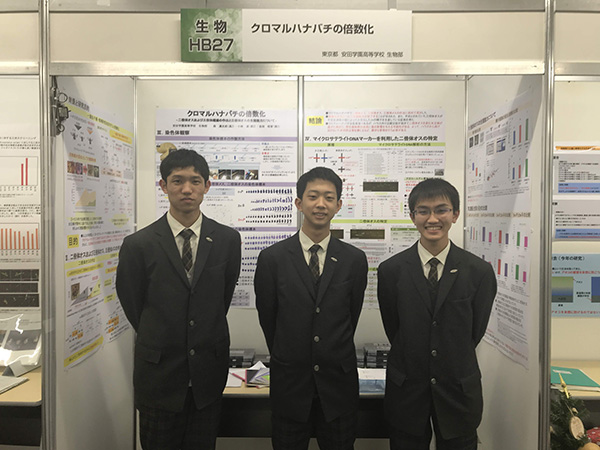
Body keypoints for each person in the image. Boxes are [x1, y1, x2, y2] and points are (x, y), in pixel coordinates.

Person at [116, 149, 241, 450]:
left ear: (207, 186)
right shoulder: (138, 244)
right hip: (158, 375)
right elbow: (133, 303)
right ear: (163, 186)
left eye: (195, 181)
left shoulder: (227, 240)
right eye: (177, 181)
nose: (187, 189)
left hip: (207, 377)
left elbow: (222, 298)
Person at [377, 178, 497, 450]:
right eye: (423, 211)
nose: (432, 219)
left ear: (455, 214)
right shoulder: (391, 271)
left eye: (441, 210)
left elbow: (475, 332)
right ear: (413, 217)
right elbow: (394, 328)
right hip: (407, 389)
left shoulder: (478, 272)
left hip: (458, 389)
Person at [254, 167, 368, 450]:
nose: (320, 204)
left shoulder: (354, 259)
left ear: (338, 205)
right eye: (313, 196)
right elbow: (269, 318)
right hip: (290, 384)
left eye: (329, 198)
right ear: (299, 202)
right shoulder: (272, 259)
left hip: (338, 386)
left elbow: (351, 315)